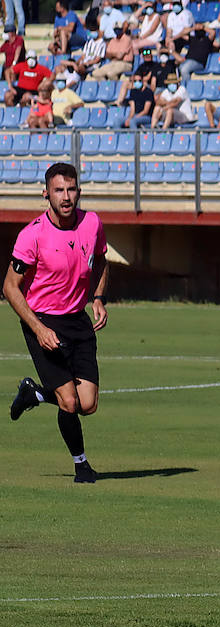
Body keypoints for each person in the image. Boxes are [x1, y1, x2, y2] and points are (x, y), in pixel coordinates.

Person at [6, 164, 108, 484]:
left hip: (77, 321)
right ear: (46, 193)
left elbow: (102, 259)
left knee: (87, 404)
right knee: (68, 400)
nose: (66, 197)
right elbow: (10, 287)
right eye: (59, 190)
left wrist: (99, 298)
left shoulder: (92, 223)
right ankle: (82, 466)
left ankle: (34, 395)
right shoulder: (32, 235)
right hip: (43, 322)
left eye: (72, 189)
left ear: (79, 190)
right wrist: (38, 329)